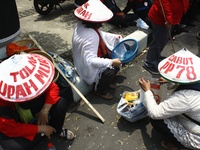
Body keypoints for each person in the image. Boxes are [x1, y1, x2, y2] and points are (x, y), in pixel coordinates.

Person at [0, 53, 75, 150]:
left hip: (37, 113)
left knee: (61, 103)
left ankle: (55, 130)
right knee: (14, 147)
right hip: (17, 121)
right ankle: (43, 132)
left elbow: (53, 88)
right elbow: (11, 129)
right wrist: (41, 129)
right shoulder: (2, 99)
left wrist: (45, 110)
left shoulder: (34, 77)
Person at [138, 49, 200, 149]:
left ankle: (178, 143)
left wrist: (147, 91)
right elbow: (188, 81)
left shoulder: (185, 97)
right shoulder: (196, 77)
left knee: (156, 119)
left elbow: (155, 113)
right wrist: (170, 80)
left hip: (197, 136)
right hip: (194, 118)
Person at [72, 0, 122, 100]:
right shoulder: (90, 35)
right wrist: (111, 62)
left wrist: (116, 37)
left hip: (82, 60)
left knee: (114, 62)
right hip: (87, 66)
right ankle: (100, 90)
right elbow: (90, 60)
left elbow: (101, 34)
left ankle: (106, 82)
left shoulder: (83, 26)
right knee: (111, 69)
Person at [143, 0, 190, 75]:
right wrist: (169, 19)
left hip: (171, 17)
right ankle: (150, 62)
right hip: (161, 18)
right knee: (159, 41)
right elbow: (163, 3)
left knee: (163, 40)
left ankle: (156, 56)